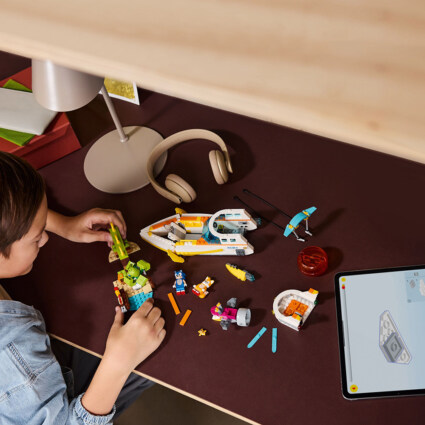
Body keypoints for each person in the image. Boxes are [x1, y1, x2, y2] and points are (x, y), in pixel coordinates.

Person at [0, 152, 166, 424]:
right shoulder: (15, 363)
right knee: (151, 363)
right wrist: (118, 364)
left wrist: (62, 224)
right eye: (36, 237)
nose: (45, 239)